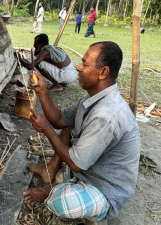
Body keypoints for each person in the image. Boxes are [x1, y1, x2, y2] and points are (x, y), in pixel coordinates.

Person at [23, 41, 140, 222]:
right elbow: (59, 119)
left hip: (107, 187)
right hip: (88, 171)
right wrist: (43, 91)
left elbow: (76, 164)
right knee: (71, 123)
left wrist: (47, 130)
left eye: (85, 64)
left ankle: (54, 190)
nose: (77, 68)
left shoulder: (106, 115)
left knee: (63, 203)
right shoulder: (93, 98)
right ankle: (60, 179)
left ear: (103, 72)